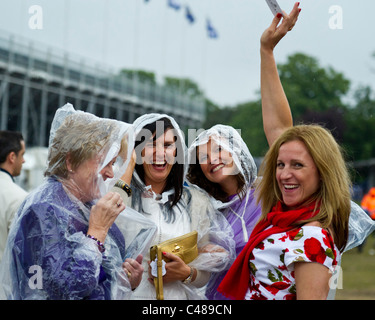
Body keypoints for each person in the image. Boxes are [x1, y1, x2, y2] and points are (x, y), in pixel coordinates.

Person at [186, 3, 300, 300]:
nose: (211, 159)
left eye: (219, 149)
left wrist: (267, 52)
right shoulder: (204, 212)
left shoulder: (269, 194)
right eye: (203, 156)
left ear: (238, 152)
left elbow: (281, 134)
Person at [0, 103, 156, 300]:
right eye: (104, 162)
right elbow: (66, 288)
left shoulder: (86, 204)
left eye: (112, 163)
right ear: (71, 161)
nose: (110, 173)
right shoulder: (43, 210)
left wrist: (126, 280)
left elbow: (103, 277)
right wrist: (97, 232)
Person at [218, 124, 351, 300]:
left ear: (322, 172)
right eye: (280, 165)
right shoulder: (280, 218)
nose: (284, 175)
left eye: (297, 165)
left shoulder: (312, 236)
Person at [120, 113, 235, 300]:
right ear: (137, 151)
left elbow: (203, 275)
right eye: (150, 144)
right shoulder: (122, 195)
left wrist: (186, 273)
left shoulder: (196, 203)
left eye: (167, 145)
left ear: (177, 152)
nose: (160, 153)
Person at [0, 130, 28, 263]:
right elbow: (21, 252)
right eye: (22, 154)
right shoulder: (19, 197)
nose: (23, 160)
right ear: (12, 157)